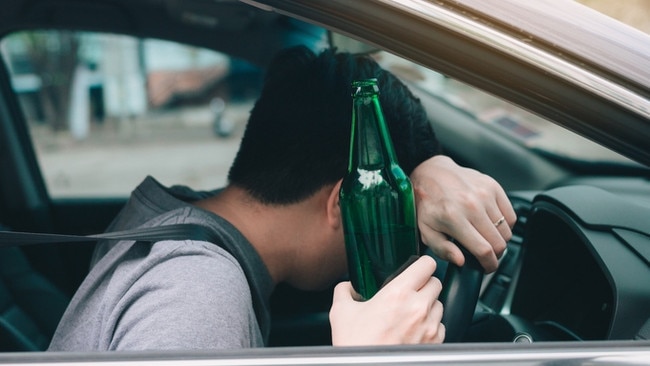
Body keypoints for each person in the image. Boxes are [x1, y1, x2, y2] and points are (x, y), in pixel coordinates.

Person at [48, 46, 515, 351]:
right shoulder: (197, 293)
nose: (399, 249)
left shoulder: (167, 219)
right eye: (394, 219)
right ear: (340, 203)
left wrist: (426, 172)